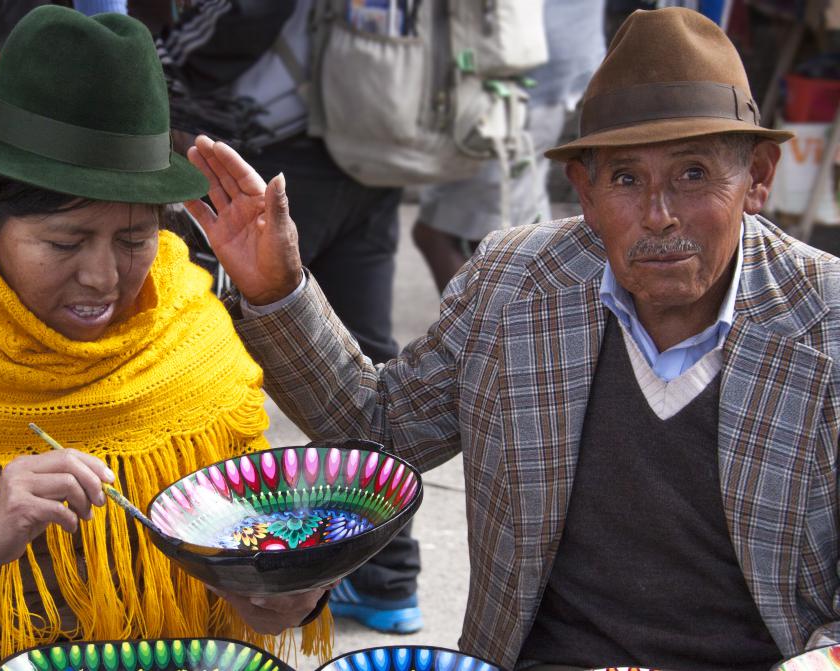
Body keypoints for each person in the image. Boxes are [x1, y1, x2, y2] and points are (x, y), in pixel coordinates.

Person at [186, 7, 840, 670]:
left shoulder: (829, 320)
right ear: (582, 190)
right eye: (624, 178)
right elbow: (378, 429)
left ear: (758, 176)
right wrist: (279, 291)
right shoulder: (514, 285)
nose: (658, 214)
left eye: (694, 173)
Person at [0, 7, 329, 671]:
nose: (103, 277)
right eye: (64, 241)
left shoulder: (191, 339)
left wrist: (284, 596)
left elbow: (253, 542)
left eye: (134, 239)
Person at [158, 0, 422, 634]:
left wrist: (155, 63)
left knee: (236, 337)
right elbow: (370, 412)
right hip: (372, 139)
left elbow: (229, 26)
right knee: (363, 349)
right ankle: (388, 579)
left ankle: (330, 568)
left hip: (277, 148)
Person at [412, 0, 607, 293]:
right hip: (540, 62)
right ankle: (514, 327)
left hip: (515, 70)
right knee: (516, 229)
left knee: (449, 233)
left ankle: (483, 334)